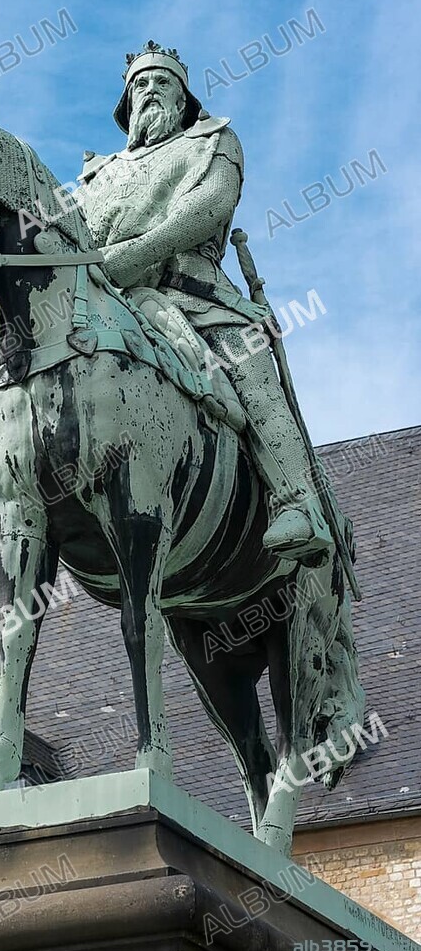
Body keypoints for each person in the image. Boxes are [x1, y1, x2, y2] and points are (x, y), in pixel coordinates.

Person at [79, 41, 332, 563]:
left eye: (162, 82)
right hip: (108, 301)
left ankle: (297, 502)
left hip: (197, 298)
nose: (149, 91)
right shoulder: (95, 175)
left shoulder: (215, 141)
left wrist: (132, 255)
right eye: (140, 84)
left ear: (183, 96)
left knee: (254, 378)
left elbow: (205, 209)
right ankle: (14, 549)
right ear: (127, 104)